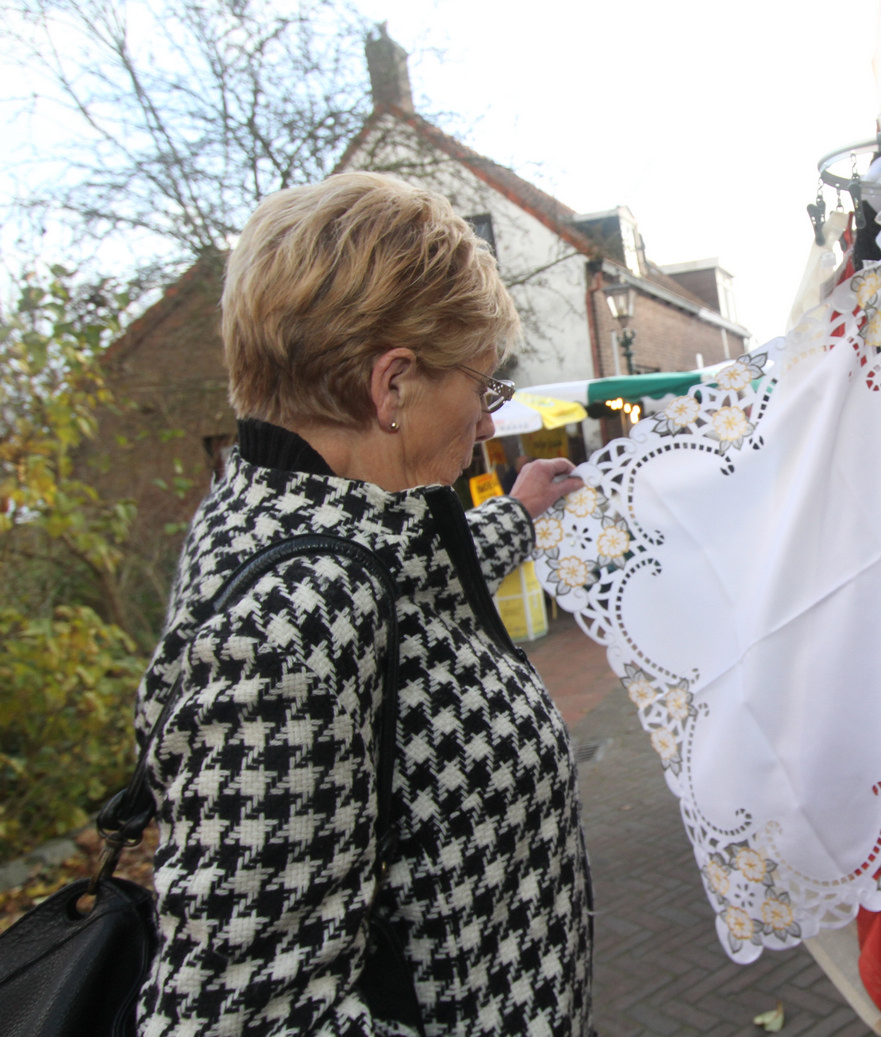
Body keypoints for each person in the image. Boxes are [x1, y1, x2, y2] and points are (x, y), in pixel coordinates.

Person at [134, 172, 591, 1035]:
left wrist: (517, 512)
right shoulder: (284, 629)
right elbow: (243, 1019)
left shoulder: (303, 513)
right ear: (392, 387)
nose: (484, 422)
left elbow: (408, 575)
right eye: (482, 386)